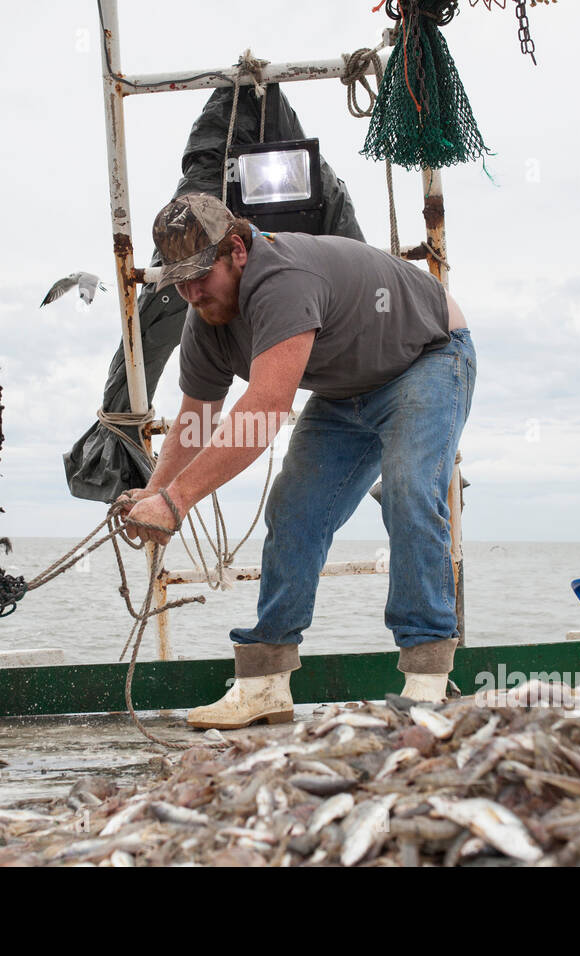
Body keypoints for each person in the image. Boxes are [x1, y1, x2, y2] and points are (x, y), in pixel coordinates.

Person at [119, 193, 475, 729]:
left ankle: (426, 680)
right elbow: (195, 419)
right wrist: (155, 493)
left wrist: (178, 501)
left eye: (200, 275)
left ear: (236, 250)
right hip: (344, 387)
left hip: (428, 355)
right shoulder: (205, 320)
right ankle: (265, 683)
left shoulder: (282, 279)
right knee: (293, 509)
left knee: (408, 489)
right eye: (178, 282)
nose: (191, 293)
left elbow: (263, 411)